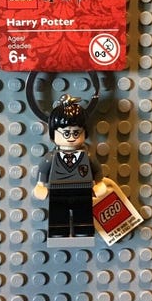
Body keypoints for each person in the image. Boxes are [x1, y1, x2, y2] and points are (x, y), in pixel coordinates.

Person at [34, 94, 106, 239]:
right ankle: (58, 232)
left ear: (84, 132)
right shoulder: (52, 157)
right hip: (57, 191)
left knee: (83, 213)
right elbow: (43, 170)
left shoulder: (87, 156)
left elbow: (97, 169)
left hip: (83, 190)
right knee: (58, 214)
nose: (71, 137)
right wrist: (40, 185)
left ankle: (83, 231)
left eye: (76, 132)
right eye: (66, 133)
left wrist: (99, 183)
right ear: (54, 133)